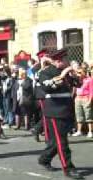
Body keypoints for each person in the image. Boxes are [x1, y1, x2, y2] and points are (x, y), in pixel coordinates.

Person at [38, 49, 84, 179]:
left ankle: (44, 159)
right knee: (62, 142)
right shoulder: (45, 72)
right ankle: (68, 167)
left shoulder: (67, 73)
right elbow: (47, 87)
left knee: (56, 141)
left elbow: (78, 84)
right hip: (55, 111)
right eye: (65, 60)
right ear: (58, 60)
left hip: (67, 109)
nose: (67, 62)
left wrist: (76, 76)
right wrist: (63, 74)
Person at [72, 67, 93, 138]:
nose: (78, 74)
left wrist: (90, 100)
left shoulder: (89, 80)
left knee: (88, 115)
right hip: (78, 98)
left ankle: (90, 131)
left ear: (84, 72)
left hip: (85, 98)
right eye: (77, 72)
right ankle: (79, 131)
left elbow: (91, 91)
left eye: (80, 72)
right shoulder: (77, 80)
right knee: (79, 115)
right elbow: (74, 88)